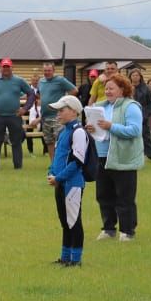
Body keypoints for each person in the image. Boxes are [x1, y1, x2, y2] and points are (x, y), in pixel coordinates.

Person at [92, 72, 144, 241]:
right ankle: (108, 229)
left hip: (123, 158)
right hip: (101, 156)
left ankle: (127, 231)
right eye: (106, 88)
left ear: (122, 89)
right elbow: (97, 128)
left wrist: (111, 126)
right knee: (103, 195)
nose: (107, 91)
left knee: (124, 196)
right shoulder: (100, 106)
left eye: (111, 88)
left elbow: (135, 130)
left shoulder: (131, 107)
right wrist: (91, 128)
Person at [46, 95, 92, 266]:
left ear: (73, 111)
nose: (58, 114)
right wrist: (51, 172)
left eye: (61, 110)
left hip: (72, 184)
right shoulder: (63, 131)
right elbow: (58, 157)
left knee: (73, 221)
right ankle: (65, 256)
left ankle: (76, 259)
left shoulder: (78, 132)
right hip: (60, 182)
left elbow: (77, 162)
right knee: (65, 221)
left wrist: (59, 177)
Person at [0, 58, 34, 169]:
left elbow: (31, 93)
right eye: (4, 67)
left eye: (8, 67)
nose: (6, 69)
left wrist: (25, 109)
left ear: (11, 68)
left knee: (16, 141)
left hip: (14, 116)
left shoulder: (19, 81)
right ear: (1, 68)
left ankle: (18, 166)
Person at [37, 62, 76, 153]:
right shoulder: (41, 81)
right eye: (45, 71)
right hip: (45, 117)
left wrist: (63, 102)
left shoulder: (60, 80)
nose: (47, 72)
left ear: (54, 70)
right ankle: (53, 165)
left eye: (49, 70)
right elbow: (40, 95)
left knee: (60, 141)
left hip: (57, 116)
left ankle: (61, 163)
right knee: (49, 142)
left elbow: (74, 90)